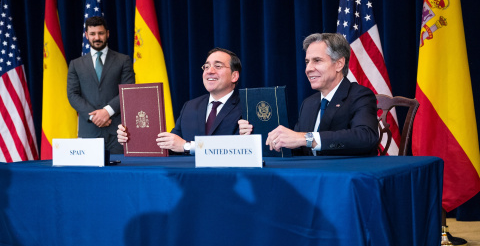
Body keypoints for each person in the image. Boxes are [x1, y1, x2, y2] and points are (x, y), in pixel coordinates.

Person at [239, 33, 378, 156]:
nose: (308, 69)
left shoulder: (360, 95)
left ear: (339, 64)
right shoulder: (309, 103)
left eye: (317, 60)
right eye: (307, 62)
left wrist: (307, 138)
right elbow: (298, 149)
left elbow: (365, 137)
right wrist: (255, 136)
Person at [117, 47, 242, 154]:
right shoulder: (190, 106)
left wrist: (187, 146)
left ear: (234, 76)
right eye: (206, 66)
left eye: (218, 66)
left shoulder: (246, 107)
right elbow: (169, 146)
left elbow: (239, 149)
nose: (210, 71)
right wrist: (132, 140)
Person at [67, 16, 135, 154]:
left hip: (118, 133)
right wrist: (94, 117)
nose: (97, 37)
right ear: (86, 35)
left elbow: (128, 91)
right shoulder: (76, 64)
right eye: (92, 34)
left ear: (107, 34)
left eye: (101, 33)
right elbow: (72, 95)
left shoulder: (123, 60)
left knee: (119, 174)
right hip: (89, 132)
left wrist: (107, 111)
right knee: (90, 176)